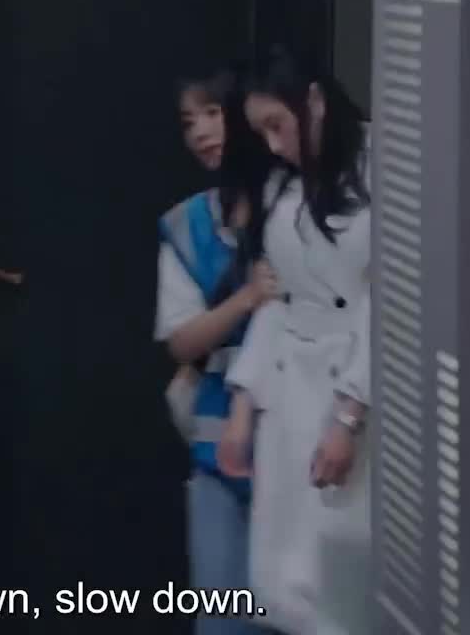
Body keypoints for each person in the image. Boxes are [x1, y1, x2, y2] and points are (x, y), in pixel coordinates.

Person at [217, 46, 372, 635]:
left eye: (278, 126)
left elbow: (387, 303)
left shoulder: (383, 165)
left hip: (355, 394)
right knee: (286, 584)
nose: (274, 145)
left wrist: (348, 417)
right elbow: (279, 303)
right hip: (288, 397)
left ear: (314, 101)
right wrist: (243, 406)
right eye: (262, 133)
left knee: (346, 584)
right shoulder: (283, 188)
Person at [155, 64, 278, 634]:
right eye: (188, 122)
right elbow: (181, 339)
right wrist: (247, 298)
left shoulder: (296, 205)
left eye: (213, 113)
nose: (201, 131)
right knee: (223, 617)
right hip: (216, 448)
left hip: (297, 445)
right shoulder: (188, 225)